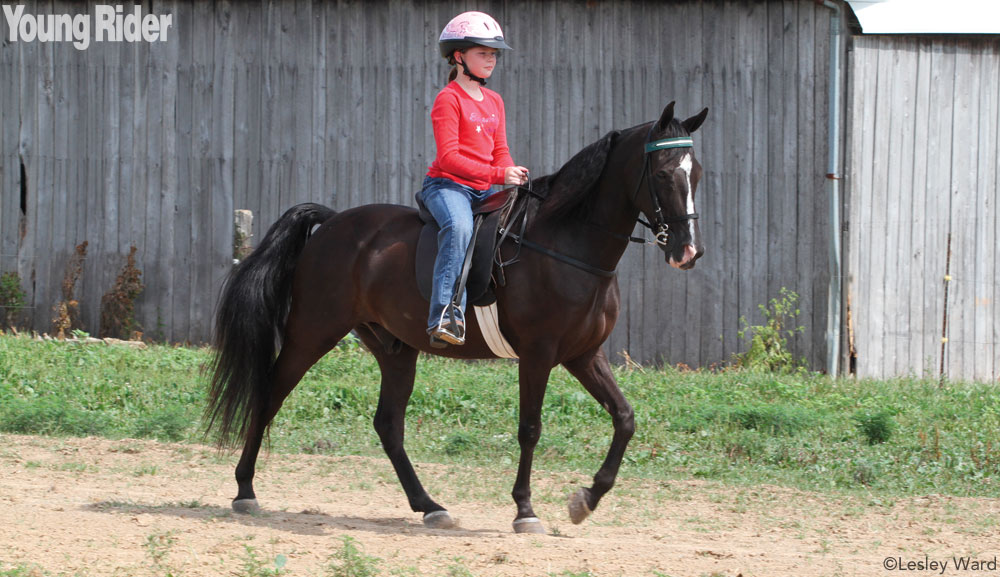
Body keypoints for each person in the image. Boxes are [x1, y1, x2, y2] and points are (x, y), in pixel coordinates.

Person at [418, 11, 529, 347]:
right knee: (460, 228)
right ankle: (445, 315)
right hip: (448, 186)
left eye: (494, 54)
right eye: (483, 53)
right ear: (458, 56)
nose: (491, 60)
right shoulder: (448, 98)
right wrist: (498, 174)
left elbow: (500, 151)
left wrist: (511, 174)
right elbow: (450, 158)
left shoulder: (495, 101)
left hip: (483, 190)